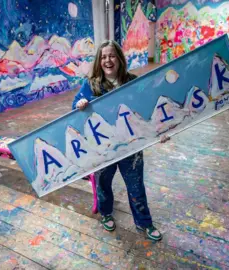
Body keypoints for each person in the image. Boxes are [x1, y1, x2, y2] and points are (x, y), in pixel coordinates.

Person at [72, 40, 168, 241]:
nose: (108, 60)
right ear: (99, 61)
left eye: (112, 55)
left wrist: (160, 130)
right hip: (103, 148)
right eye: (104, 56)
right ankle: (106, 213)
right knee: (103, 182)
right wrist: (79, 104)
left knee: (136, 186)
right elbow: (75, 109)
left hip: (130, 145)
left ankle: (144, 223)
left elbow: (147, 108)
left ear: (119, 59)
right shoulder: (91, 84)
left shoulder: (132, 81)